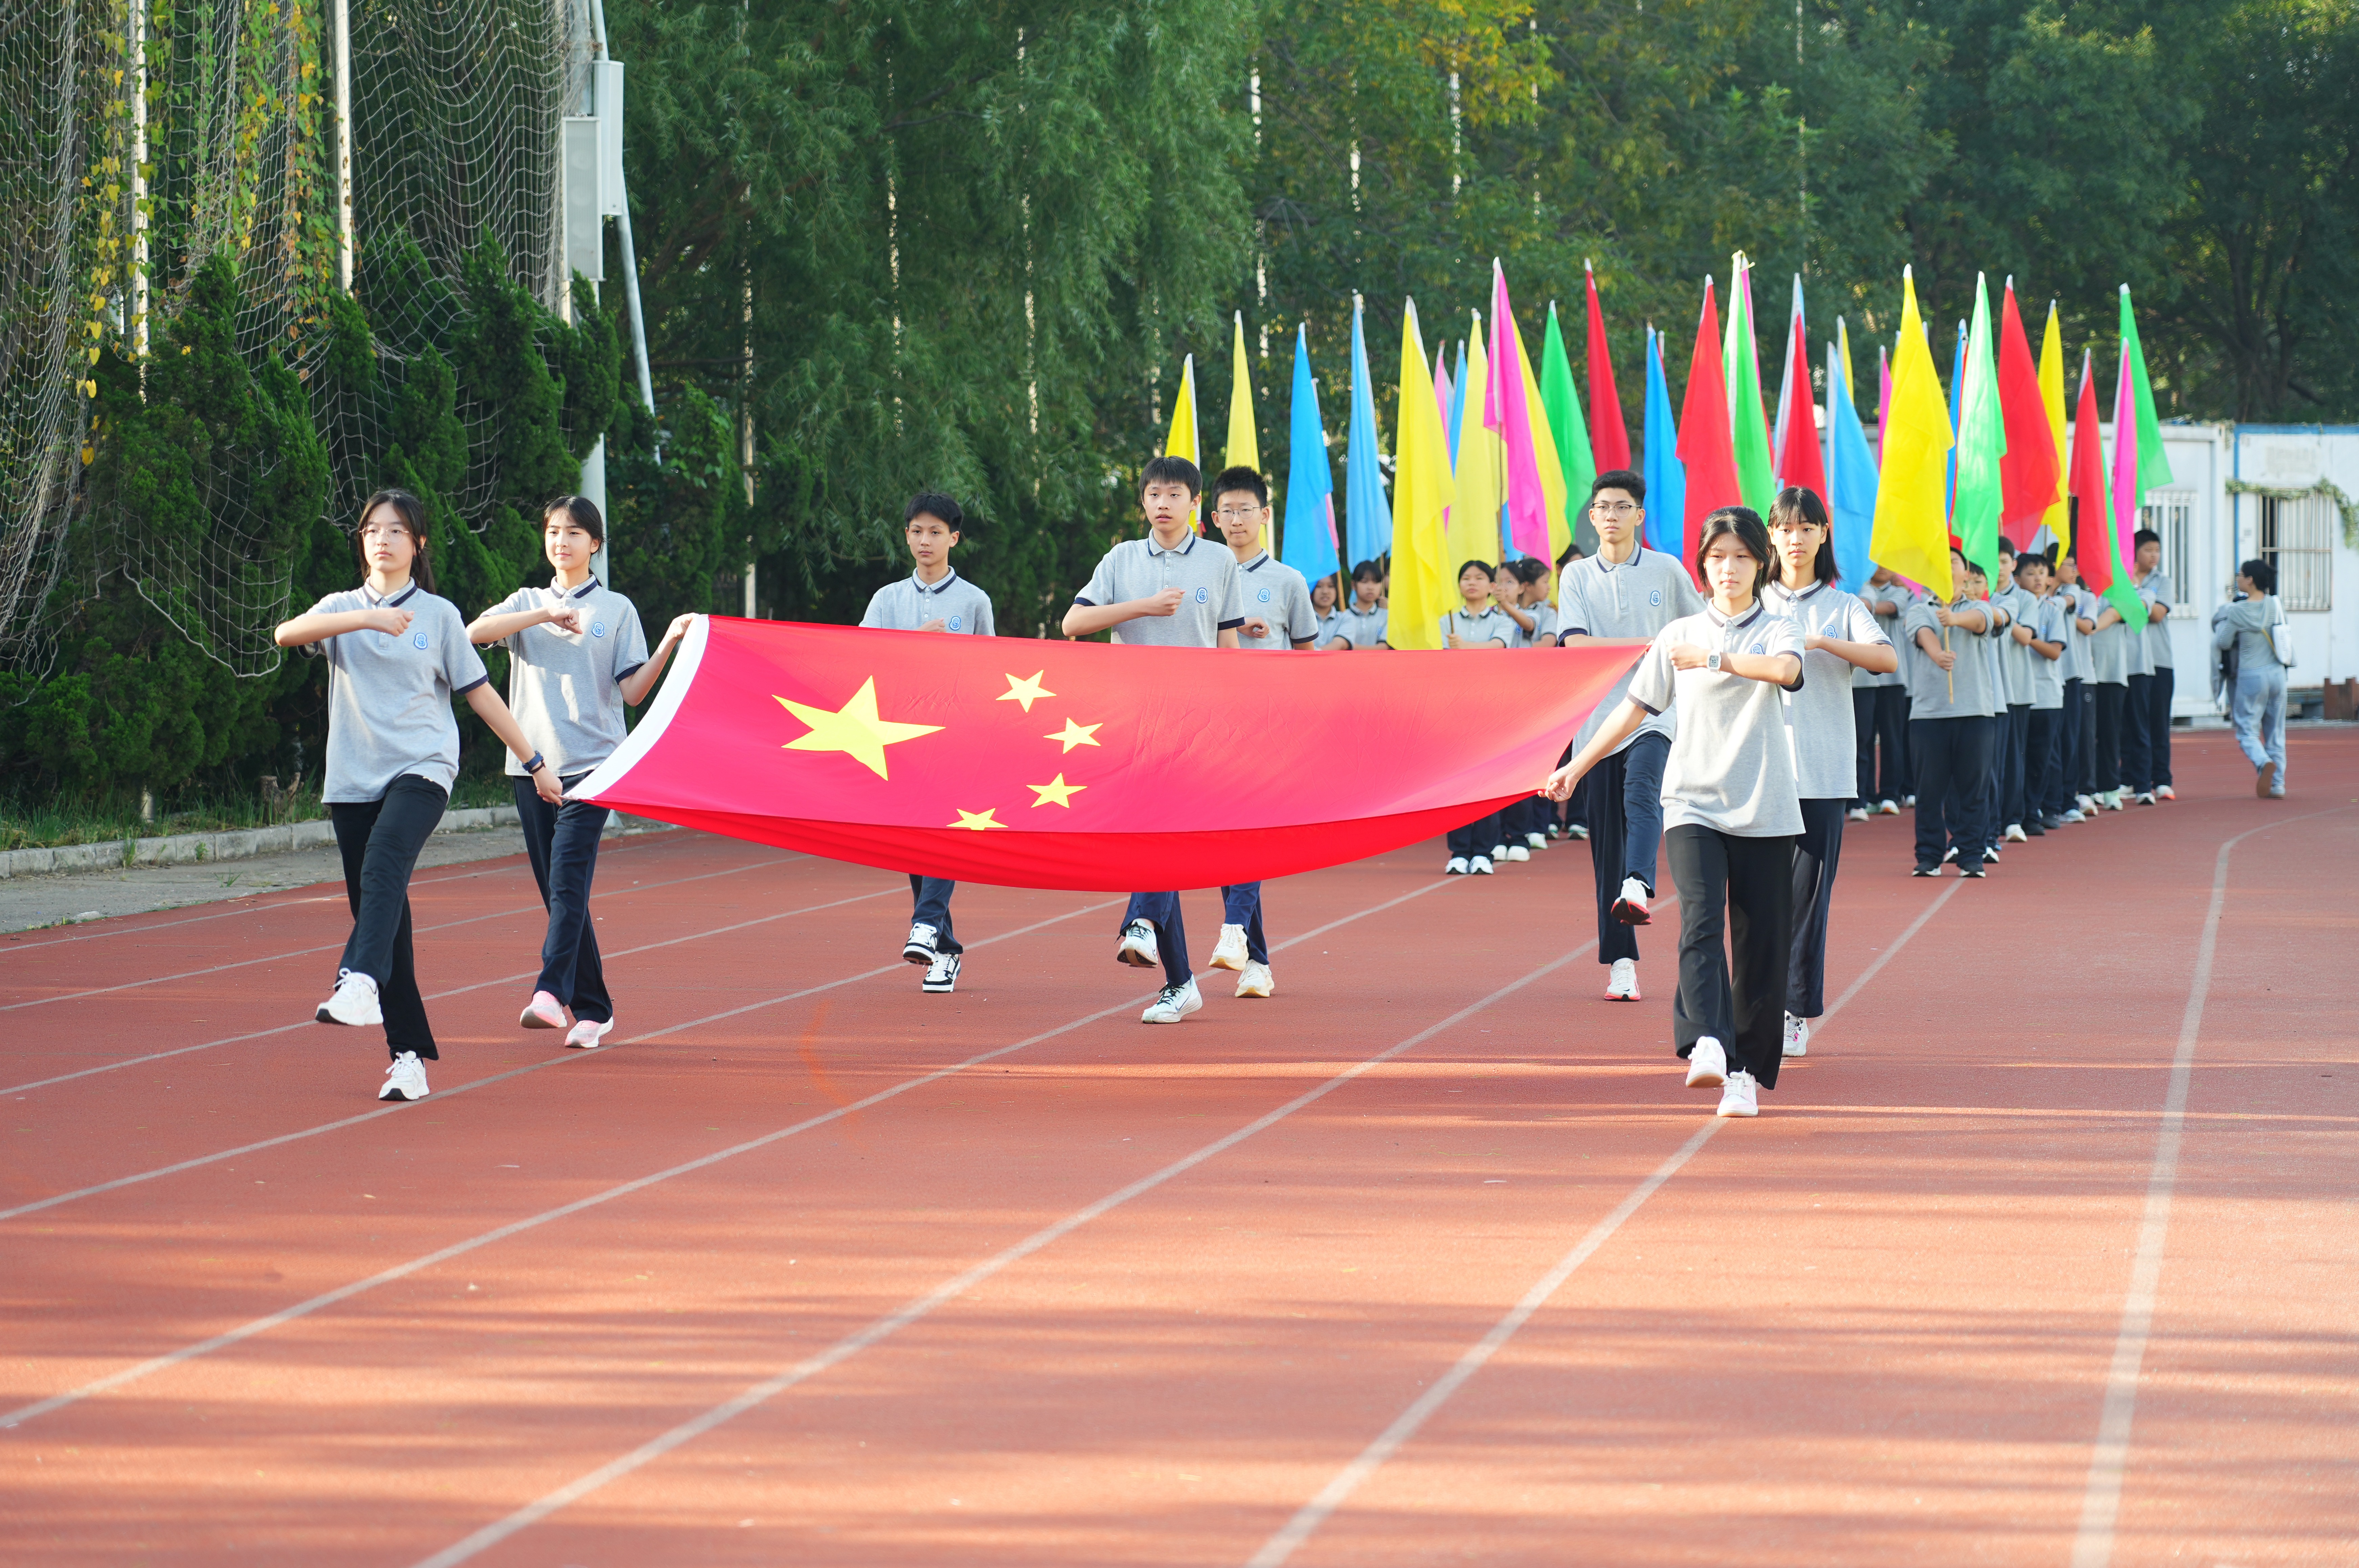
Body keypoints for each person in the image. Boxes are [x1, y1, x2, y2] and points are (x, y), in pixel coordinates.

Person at [274, 488, 562, 1103]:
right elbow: (285, 633)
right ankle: (408, 1057)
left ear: (419, 543)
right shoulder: (341, 609)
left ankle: (356, 980)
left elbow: (481, 693)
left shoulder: (438, 616)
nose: (383, 539)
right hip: (352, 780)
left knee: (384, 866)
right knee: (384, 916)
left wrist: (536, 761)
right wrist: (367, 618)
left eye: (397, 531)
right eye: (373, 529)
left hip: (423, 769)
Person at [1542, 507, 1805, 1119]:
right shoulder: (1678, 634)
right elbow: (1633, 710)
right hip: (1693, 800)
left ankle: (1746, 1073)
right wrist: (1575, 766)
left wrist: (1717, 661)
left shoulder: (1776, 625)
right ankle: (1707, 1040)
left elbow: (1786, 671)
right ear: (1703, 566)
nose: (1729, 568)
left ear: (1759, 562)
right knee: (1700, 921)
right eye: (1718, 557)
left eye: (1741, 556)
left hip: (1765, 803)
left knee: (1761, 944)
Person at [467, 495, 688, 1046]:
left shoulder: (616, 610)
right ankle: (595, 1006)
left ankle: (549, 991)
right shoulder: (526, 601)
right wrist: (544, 613)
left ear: (595, 543)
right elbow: (473, 634)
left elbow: (633, 691)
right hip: (530, 767)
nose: (561, 542)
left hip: (595, 767)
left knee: (567, 880)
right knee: (558, 892)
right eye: (553, 532)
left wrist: (669, 643)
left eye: (573, 533)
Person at [1064, 455, 1244, 1023]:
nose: (1161, 503)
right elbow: (1073, 624)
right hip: (1130, 718)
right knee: (1153, 838)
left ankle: (1141, 921)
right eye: (1152, 494)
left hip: (1194, 723)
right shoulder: (1121, 558)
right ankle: (1180, 980)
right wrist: (1143, 606)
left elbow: (1229, 650)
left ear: (1196, 504)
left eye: (1173, 494)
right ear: (1142, 502)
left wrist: (1232, 724)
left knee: (1161, 836)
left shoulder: (1218, 561)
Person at [1554, 469, 1705, 1001]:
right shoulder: (1575, 576)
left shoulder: (1665, 570)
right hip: (1598, 723)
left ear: (1639, 516)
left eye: (1623, 507)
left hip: (1657, 711)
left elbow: (1699, 628)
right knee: (1605, 844)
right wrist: (1648, 643)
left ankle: (1639, 883)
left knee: (1644, 791)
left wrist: (1665, 653)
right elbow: (1573, 643)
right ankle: (1621, 962)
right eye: (1604, 507)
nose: (1612, 515)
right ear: (1592, 516)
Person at [1761, 488, 1894, 1061]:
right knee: (1753, 898)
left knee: (1806, 901)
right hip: (1755, 772)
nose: (1795, 538)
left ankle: (1794, 1012)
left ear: (1822, 535)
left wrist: (1816, 641)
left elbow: (1885, 658)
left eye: (1806, 527)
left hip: (1821, 772)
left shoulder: (1843, 606)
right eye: (1785, 528)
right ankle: (1754, 1001)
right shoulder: (1748, 599)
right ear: (1770, 535)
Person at [846, 492, 997, 994]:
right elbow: (862, 663)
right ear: (906, 535)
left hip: (955, 737)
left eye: (936, 532)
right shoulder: (887, 599)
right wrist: (915, 642)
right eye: (917, 531)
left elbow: (991, 672)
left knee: (943, 833)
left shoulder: (974, 601)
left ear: (955, 538)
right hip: (899, 736)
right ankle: (945, 949)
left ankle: (927, 924)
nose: (925, 540)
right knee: (914, 840)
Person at [1207, 466, 1313, 997]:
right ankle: (1257, 961)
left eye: (1245, 509)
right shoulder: (1204, 572)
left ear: (1265, 515)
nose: (1236, 520)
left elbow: (1308, 658)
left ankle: (1234, 931)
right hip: (1209, 725)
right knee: (1225, 839)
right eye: (1226, 511)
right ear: (1213, 518)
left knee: (1250, 833)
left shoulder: (1288, 581)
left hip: (1266, 728)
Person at [1901, 546, 1997, 878]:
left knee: (1974, 788)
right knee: (1929, 791)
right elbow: (1923, 633)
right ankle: (1928, 855)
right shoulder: (1919, 609)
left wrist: (1954, 618)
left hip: (1976, 713)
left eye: (1953, 562)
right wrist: (1938, 654)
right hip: (1930, 715)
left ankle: (1972, 854)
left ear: (1966, 572)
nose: (1947, 566)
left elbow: (1983, 622)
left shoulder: (1980, 606)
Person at [1441, 559, 1514, 874]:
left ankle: (1484, 850)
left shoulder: (1502, 621)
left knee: (1488, 782)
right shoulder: (1447, 620)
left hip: (1491, 707)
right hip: (1456, 707)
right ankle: (1459, 850)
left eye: (1479, 578)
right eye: (1466, 578)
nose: (1472, 583)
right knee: (1456, 781)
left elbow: (1498, 648)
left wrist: (1464, 647)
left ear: (1490, 586)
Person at [2212, 558, 2289, 797]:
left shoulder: (2237, 610)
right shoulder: (2275, 604)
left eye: (2240, 575)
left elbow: (2223, 641)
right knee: (2275, 731)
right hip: (2277, 674)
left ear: (2250, 580)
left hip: (2251, 675)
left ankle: (2262, 760)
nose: (2238, 579)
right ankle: (2278, 784)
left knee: (2247, 731)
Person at [1852, 565, 1916, 820]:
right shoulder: (1855, 590)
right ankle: (1861, 798)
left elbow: (1889, 608)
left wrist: (1861, 604)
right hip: (1861, 677)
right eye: (1875, 562)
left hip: (1893, 677)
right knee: (1862, 738)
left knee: (1892, 738)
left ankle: (1890, 794)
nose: (1881, 568)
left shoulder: (1900, 592)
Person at [2011, 551, 2068, 832]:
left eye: (2042, 573)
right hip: (2017, 694)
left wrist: (2026, 635)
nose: (2037, 578)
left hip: (2045, 695)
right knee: (2015, 757)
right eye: (2031, 573)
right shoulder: (2010, 606)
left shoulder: (2051, 610)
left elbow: (2055, 652)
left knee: (2041, 757)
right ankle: (2015, 813)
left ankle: (2040, 811)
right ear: (2016, 576)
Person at [1989, 541, 2038, 843]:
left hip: (2017, 688)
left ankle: (2014, 819)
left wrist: (2002, 614)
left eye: (2005, 561)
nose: (2000, 568)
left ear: (2013, 564)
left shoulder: (2024, 599)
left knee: (2014, 757)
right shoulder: (1979, 594)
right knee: (1990, 760)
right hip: (1990, 691)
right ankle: (1991, 821)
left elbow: (2026, 637)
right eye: (1994, 562)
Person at [2128, 528, 2176, 802]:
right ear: (2135, 552)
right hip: (2133, 661)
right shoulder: (2124, 579)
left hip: (2159, 661)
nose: (2154, 555)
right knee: (2133, 723)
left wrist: (2136, 590)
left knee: (2159, 721)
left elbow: (2157, 614)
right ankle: (2134, 778)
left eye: (2157, 550)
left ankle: (2163, 779)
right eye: (2148, 550)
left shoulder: (2163, 581)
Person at [2050, 553, 2099, 823]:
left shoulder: (2077, 594)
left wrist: (2052, 602)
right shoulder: (2034, 594)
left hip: (2070, 673)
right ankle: (2050, 801)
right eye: (2069, 565)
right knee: (2049, 742)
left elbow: (2085, 622)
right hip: (2043, 679)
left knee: (2072, 738)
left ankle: (2072, 798)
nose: (2075, 570)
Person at [2085, 569, 2134, 811]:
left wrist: (2087, 627)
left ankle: (2110, 789)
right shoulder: (2080, 591)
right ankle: (2087, 787)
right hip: (2085, 676)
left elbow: (2115, 615)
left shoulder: (2119, 590)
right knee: (2085, 735)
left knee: (2109, 734)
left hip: (2112, 674)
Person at [1324, 561, 1390, 649]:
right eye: (1364, 582)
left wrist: (1346, 645)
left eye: (1375, 582)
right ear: (1354, 585)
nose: (1370, 587)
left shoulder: (1387, 616)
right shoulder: (1342, 617)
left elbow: (1384, 648)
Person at [1309, 574, 1343, 646]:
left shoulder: (1345, 618)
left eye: (1331, 586)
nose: (1325, 592)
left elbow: (1340, 645)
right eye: (1319, 586)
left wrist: (1313, 655)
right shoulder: (1302, 619)